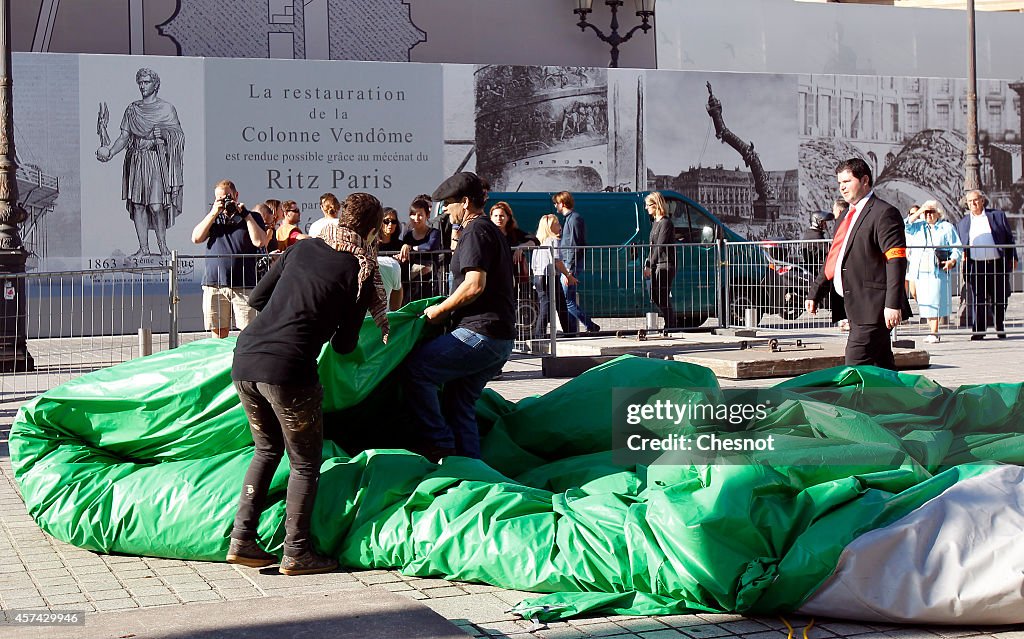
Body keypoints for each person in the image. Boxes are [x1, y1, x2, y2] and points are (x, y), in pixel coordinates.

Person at [227, 192, 388, 576]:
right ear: (370, 230)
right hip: (290, 370)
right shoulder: (360, 271)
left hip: (246, 358)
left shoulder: (301, 249)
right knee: (304, 463)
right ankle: (297, 551)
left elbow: (259, 298)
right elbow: (344, 344)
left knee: (266, 449)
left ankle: (242, 540)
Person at [401, 172, 516, 462]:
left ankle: (440, 446)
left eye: (448, 204)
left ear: (464, 203)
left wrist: (439, 312)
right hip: (497, 337)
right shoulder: (488, 230)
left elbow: (474, 284)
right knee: (459, 404)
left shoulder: (476, 231)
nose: (445, 211)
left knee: (416, 370)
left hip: (480, 332)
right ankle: (471, 471)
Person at [806, 158, 908, 369]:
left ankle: (850, 403)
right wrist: (816, 292)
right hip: (854, 305)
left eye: (847, 181)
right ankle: (900, 401)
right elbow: (835, 257)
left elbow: (896, 260)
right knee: (882, 366)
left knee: (854, 364)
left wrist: (892, 303)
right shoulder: (845, 215)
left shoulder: (884, 213)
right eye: (839, 183)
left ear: (864, 180)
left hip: (874, 306)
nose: (842, 187)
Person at [95, 67, 185, 258]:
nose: (142, 86)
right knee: (138, 205)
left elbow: (179, 136)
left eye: (146, 82)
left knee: (156, 205)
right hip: (136, 159)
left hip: (155, 160)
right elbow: (124, 137)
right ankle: (144, 248)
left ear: (156, 84)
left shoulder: (166, 109)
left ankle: (162, 247)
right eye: (140, 83)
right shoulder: (132, 109)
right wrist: (110, 151)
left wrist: (165, 133)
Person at [191, 180, 268, 338]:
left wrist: (245, 214)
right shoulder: (214, 219)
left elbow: (260, 241)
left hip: (244, 284)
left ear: (236, 195)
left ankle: (244, 362)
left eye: (228, 197)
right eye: (220, 199)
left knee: (248, 333)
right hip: (215, 283)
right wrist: (214, 212)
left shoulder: (252, 217)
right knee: (218, 334)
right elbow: (196, 238)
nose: (224, 202)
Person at [956, 190, 1018, 340]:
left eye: (976, 200)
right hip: (976, 266)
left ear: (982, 200)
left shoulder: (997, 216)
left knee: (1000, 297)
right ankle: (979, 330)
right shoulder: (963, 223)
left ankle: (999, 324)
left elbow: (1009, 239)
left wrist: (1013, 257)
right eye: (970, 201)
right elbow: (961, 246)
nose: (973, 204)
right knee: (979, 299)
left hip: (996, 264)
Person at [905, 200, 961, 343]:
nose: (929, 215)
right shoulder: (918, 226)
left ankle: (934, 332)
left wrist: (952, 260)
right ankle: (932, 331)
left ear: (938, 213)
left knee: (934, 299)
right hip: (919, 269)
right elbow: (905, 225)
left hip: (936, 269)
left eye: (931, 211)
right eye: (926, 212)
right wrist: (920, 211)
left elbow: (957, 247)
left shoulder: (946, 227)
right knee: (922, 299)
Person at [553, 191, 600, 334]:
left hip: (569, 264)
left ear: (562, 203)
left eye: (556, 203)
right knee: (569, 299)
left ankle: (588, 326)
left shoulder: (573, 219)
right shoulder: (571, 219)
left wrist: (569, 271)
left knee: (568, 300)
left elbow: (574, 245)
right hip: (568, 263)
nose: (555, 206)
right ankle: (574, 329)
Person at [531, 214, 577, 339]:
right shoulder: (554, 240)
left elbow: (534, 263)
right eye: (556, 224)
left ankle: (568, 331)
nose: (560, 226)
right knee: (549, 304)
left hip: (540, 276)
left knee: (557, 303)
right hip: (549, 276)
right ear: (549, 227)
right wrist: (568, 275)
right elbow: (557, 260)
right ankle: (540, 335)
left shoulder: (539, 241)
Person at [643, 192, 678, 330]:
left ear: (656, 205)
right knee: (655, 294)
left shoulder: (666, 223)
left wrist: (650, 265)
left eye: (648, 205)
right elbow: (652, 246)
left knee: (662, 295)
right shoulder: (655, 223)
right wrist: (648, 264)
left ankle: (670, 324)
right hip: (656, 264)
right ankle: (670, 322)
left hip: (665, 264)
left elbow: (660, 245)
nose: (646, 208)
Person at [400, 197, 442, 302]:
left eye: (420, 215)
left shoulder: (434, 233)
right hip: (412, 282)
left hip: (430, 282)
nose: (416, 218)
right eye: (413, 214)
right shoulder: (408, 235)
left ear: (427, 216)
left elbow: (429, 246)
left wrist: (412, 248)